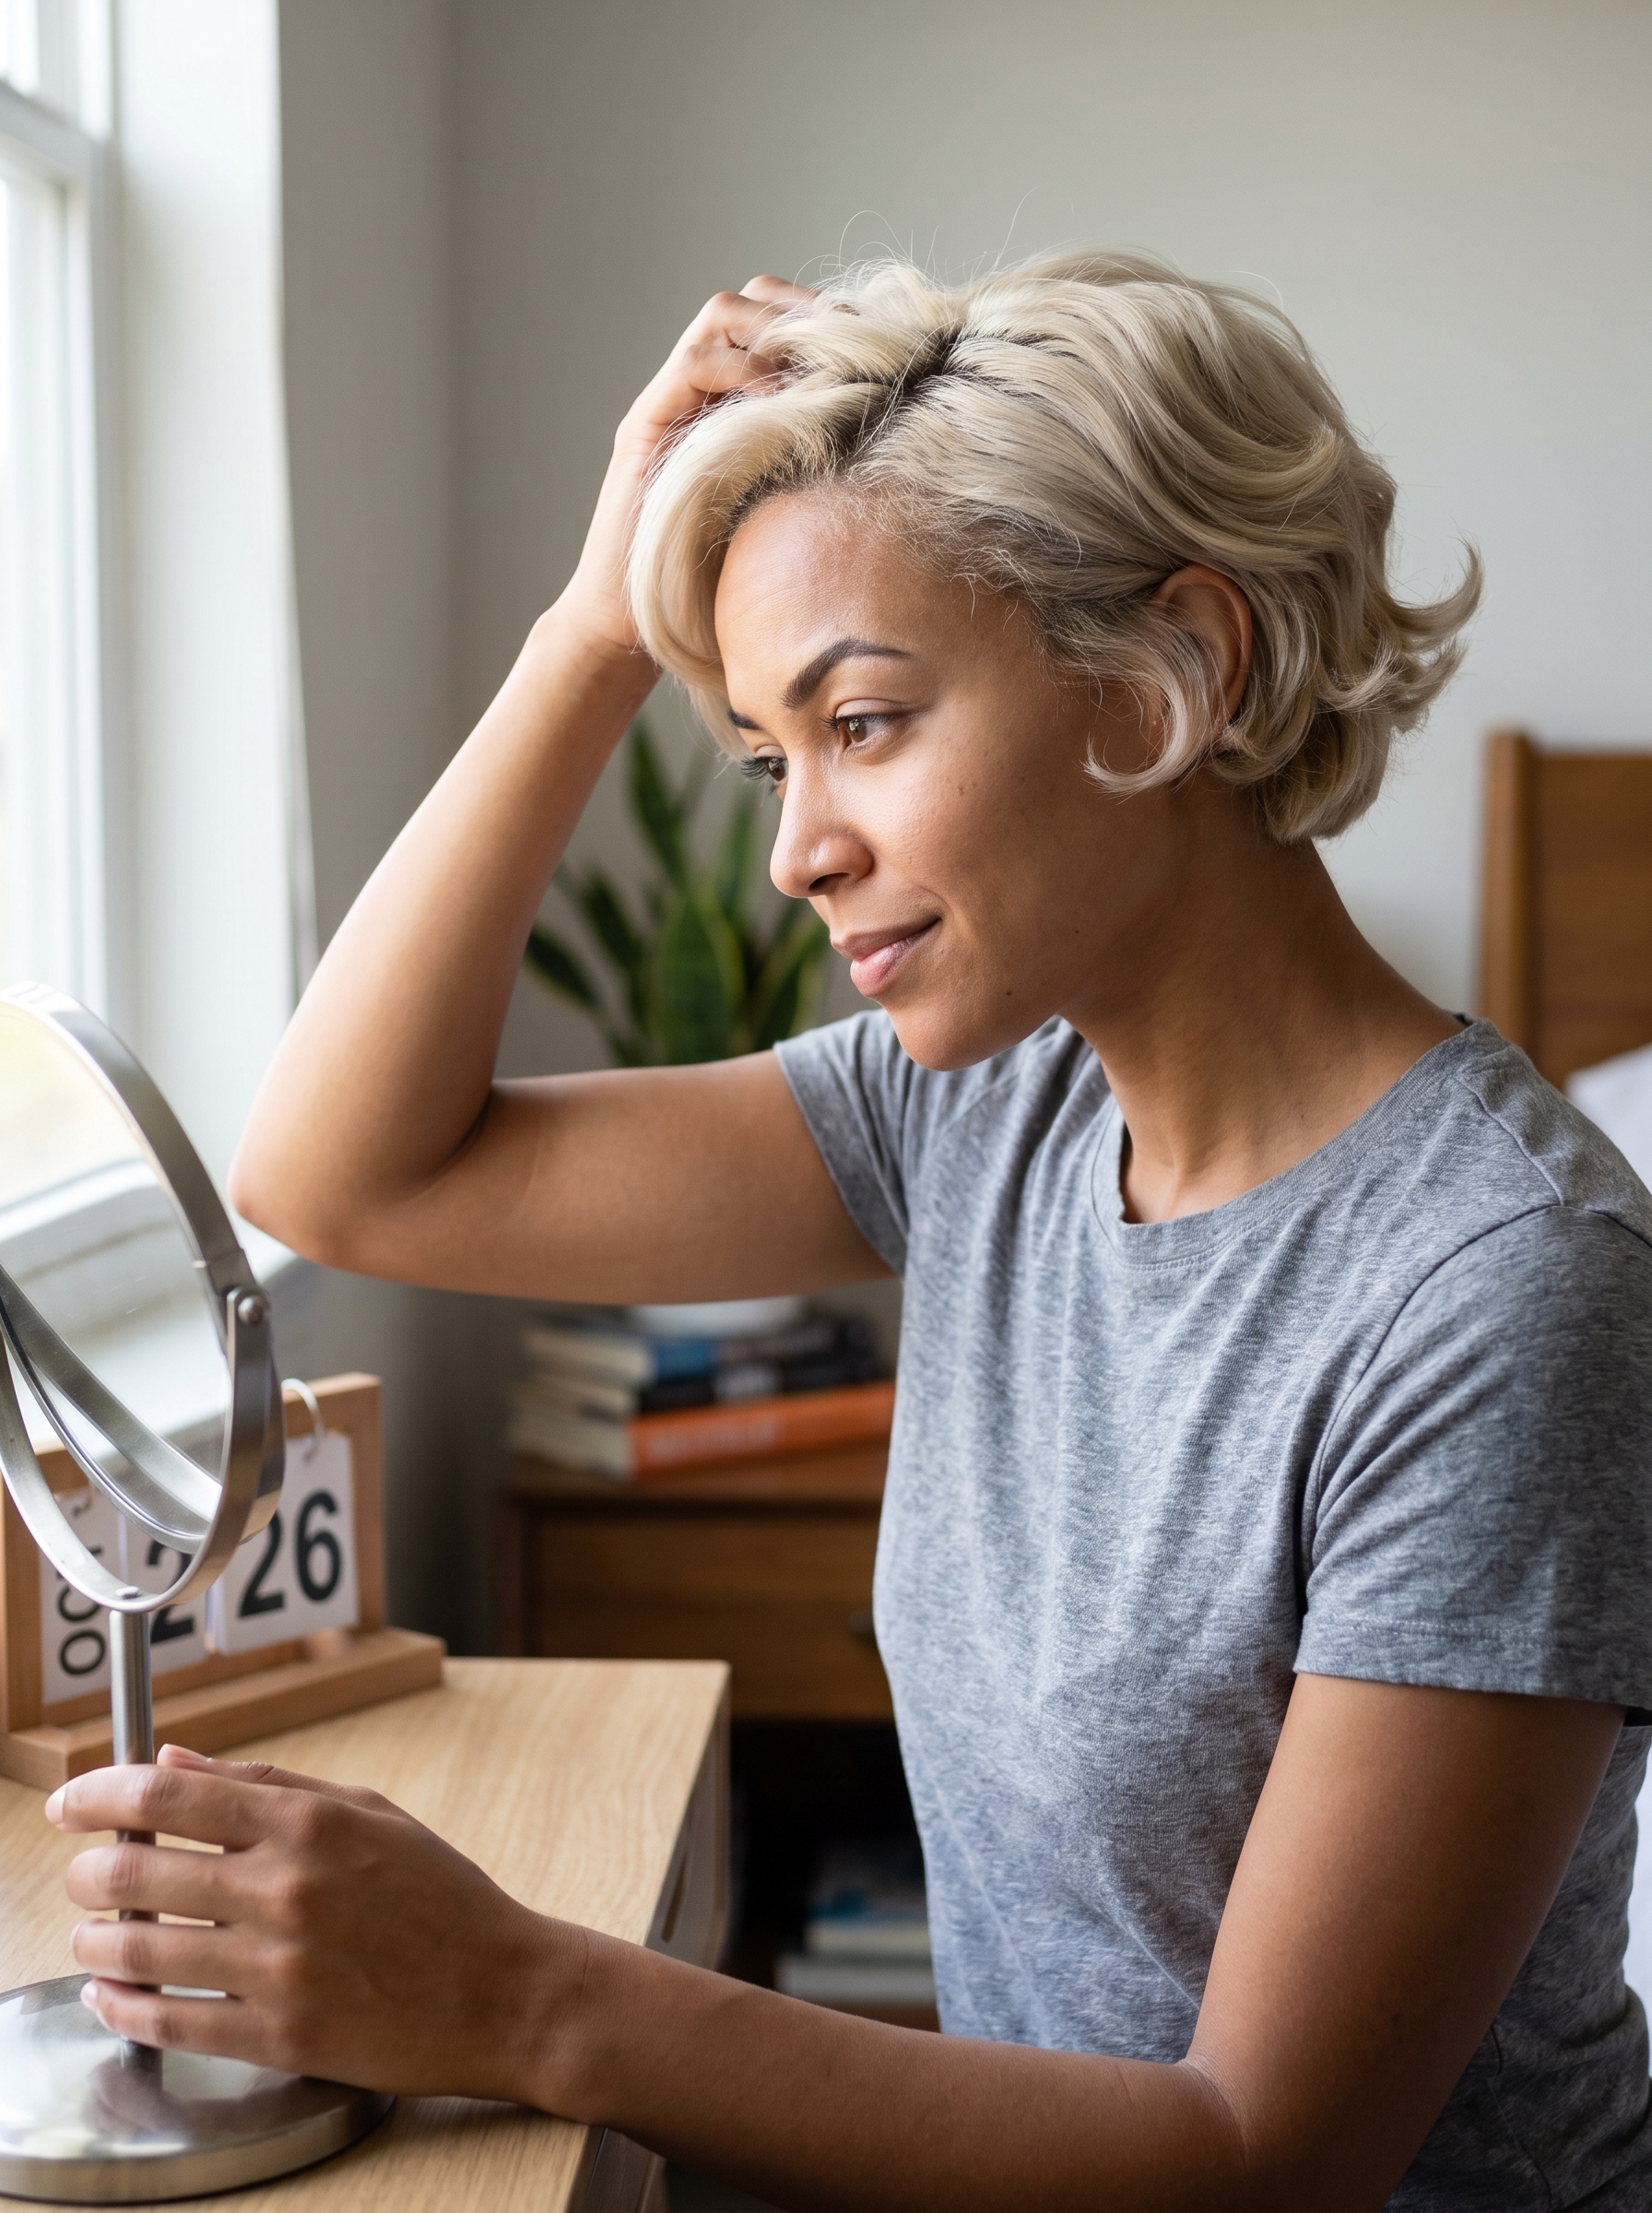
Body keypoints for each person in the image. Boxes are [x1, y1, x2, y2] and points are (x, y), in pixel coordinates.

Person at [48, 252, 1652, 2212]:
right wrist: (587, 630)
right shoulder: (988, 1104)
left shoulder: (1505, 1290)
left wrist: (517, 1994)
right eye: (760, 756)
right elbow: (339, 1176)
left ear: (1175, 676)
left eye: (864, 722)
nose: (795, 848)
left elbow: (1259, 2158)